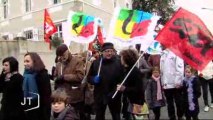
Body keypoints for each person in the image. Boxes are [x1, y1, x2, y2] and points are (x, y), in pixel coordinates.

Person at [87, 42, 124, 120]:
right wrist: (93, 79)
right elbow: (89, 78)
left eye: (111, 51)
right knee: (99, 116)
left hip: (115, 94)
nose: (109, 53)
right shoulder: (96, 63)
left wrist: (121, 86)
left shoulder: (119, 63)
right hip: (100, 95)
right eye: (107, 51)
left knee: (116, 116)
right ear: (102, 52)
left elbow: (123, 78)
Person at [54, 44, 85, 120]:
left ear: (67, 51)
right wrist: (56, 79)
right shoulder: (59, 64)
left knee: (75, 116)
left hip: (75, 97)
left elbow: (80, 76)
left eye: (63, 55)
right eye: (60, 56)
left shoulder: (77, 61)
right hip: (62, 97)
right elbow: (55, 76)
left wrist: (64, 77)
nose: (62, 57)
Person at [117, 49, 145, 120]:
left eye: (122, 57)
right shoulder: (126, 69)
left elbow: (139, 89)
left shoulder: (135, 71)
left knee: (138, 118)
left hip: (137, 102)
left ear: (126, 58)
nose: (120, 59)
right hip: (129, 101)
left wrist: (125, 88)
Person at [23, 52, 52, 120]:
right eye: (24, 61)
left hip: (40, 112)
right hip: (29, 109)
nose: (25, 64)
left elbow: (46, 96)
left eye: (27, 61)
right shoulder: (26, 74)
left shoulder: (42, 75)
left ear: (35, 62)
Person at [160, 48, 184, 120]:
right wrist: (163, 82)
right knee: (169, 103)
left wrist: (178, 82)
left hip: (175, 84)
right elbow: (162, 71)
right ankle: (172, 117)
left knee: (178, 102)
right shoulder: (163, 54)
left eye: (162, 43)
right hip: (166, 84)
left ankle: (180, 116)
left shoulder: (176, 53)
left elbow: (180, 69)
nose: (160, 44)